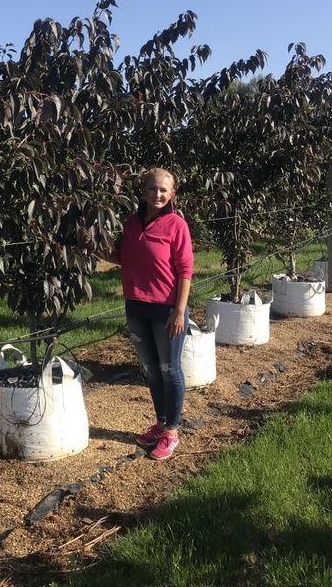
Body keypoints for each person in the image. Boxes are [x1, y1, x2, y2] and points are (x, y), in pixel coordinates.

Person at [106, 167, 193, 461]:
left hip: (166, 309)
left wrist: (179, 311)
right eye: (152, 189)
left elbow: (185, 270)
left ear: (172, 194)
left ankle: (172, 432)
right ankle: (160, 423)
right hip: (136, 306)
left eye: (164, 190)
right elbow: (124, 258)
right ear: (143, 191)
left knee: (170, 369)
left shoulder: (176, 225)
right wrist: (91, 247)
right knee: (152, 369)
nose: (158, 194)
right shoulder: (131, 223)